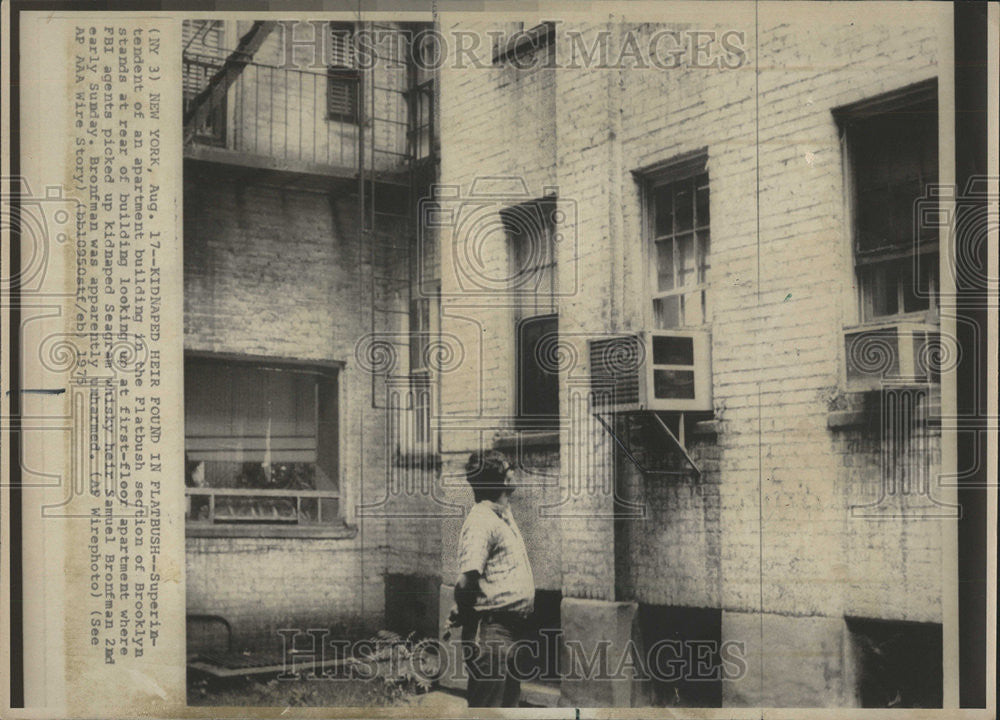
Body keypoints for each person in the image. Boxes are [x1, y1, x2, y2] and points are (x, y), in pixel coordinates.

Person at [449, 449, 535, 708]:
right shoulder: (481, 520)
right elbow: (467, 579)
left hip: (509, 630)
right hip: (491, 632)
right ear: (502, 481)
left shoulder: (502, 515)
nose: (514, 473)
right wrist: (464, 611)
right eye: (510, 469)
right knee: (487, 710)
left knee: (508, 708)